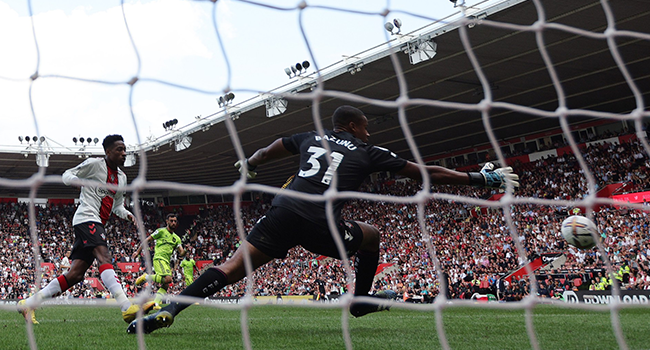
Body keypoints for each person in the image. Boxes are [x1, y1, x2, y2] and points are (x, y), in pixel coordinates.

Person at [127, 105, 519, 334]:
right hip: (320, 224)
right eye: (365, 125)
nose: (368, 131)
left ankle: (173, 307)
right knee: (373, 234)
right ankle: (361, 301)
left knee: (230, 268)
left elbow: (267, 150)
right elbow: (425, 172)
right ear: (352, 126)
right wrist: (479, 178)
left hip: (282, 212)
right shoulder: (370, 151)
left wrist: (249, 164)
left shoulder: (309, 137)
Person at [18, 135, 154, 324]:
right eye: (119, 150)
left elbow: (117, 206)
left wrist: (128, 214)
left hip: (96, 221)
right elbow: (66, 175)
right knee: (104, 257)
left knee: (75, 274)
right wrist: (77, 181)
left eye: (125, 150)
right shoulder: (94, 165)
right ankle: (126, 306)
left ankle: (29, 303)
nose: (124, 153)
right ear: (108, 152)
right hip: (86, 218)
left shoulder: (122, 178)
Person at [133, 214, 186, 308]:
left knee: (166, 284)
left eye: (175, 221)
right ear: (167, 221)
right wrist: (138, 251)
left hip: (167, 262)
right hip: (159, 258)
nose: (173, 223)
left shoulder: (177, 238)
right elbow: (147, 240)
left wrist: (184, 252)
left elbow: (181, 251)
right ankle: (146, 277)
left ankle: (156, 303)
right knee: (169, 279)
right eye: (171, 221)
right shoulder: (161, 231)